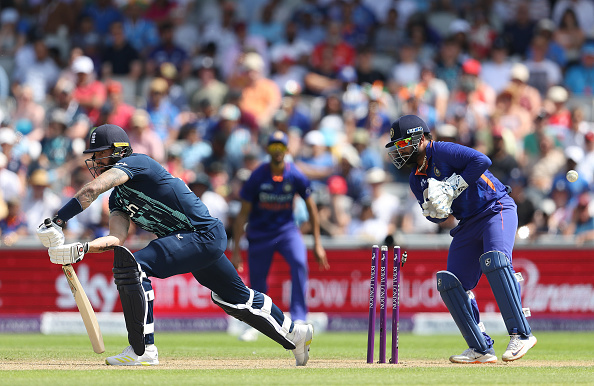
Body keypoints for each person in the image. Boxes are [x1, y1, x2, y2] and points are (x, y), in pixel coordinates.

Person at [35, 124, 314, 367]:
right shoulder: (118, 199)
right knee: (235, 299)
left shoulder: (138, 163)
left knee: (135, 267)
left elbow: (90, 190)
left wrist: (57, 221)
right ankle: (295, 334)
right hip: (197, 241)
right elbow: (117, 240)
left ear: (120, 151)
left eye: (100, 153)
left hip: (201, 233)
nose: (95, 160)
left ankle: (143, 350)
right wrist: (81, 248)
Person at [384, 114, 537, 364]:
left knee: (496, 261)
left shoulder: (441, 150)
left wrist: (454, 185)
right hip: (467, 223)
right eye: (397, 147)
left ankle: (521, 334)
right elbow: (437, 217)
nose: (400, 151)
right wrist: (434, 212)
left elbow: (481, 160)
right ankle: (481, 348)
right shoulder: (415, 179)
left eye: (403, 144)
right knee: (450, 283)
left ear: (421, 139)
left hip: (495, 207)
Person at [231, 131, 329, 332]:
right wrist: (235, 250)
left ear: (286, 150)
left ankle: (300, 317)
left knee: (300, 263)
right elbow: (242, 214)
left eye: (281, 146)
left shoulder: (295, 174)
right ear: (268, 149)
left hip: (286, 231)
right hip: (260, 233)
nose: (277, 150)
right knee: (257, 281)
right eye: (274, 146)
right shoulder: (257, 176)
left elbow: (311, 208)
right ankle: (256, 322)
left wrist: (318, 244)